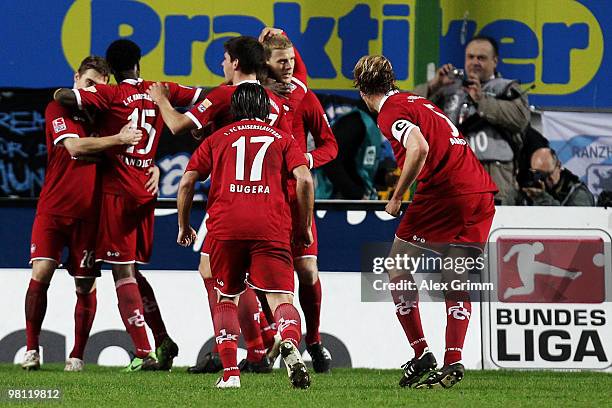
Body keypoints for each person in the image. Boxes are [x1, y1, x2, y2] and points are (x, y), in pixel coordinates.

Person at [54, 39, 203, 371]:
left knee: (121, 271)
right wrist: (198, 126)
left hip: (117, 192)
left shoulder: (111, 94)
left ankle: (142, 351)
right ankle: (162, 339)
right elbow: (200, 96)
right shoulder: (158, 88)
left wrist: (85, 93)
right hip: (145, 191)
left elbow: (63, 97)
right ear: (139, 63)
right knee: (133, 268)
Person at [146, 35, 290, 374]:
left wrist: (161, 100)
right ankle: (256, 344)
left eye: (225, 59)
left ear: (236, 63)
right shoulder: (274, 101)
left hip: (231, 197)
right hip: (269, 199)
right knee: (246, 278)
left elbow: (178, 125)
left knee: (221, 276)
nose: (222, 66)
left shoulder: (226, 94)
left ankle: (246, 350)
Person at [354, 55, 497, 388]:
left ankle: (421, 354)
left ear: (361, 90)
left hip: (445, 192)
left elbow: (417, 146)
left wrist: (396, 195)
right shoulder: (417, 101)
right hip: (480, 191)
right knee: (455, 273)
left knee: (397, 266)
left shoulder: (389, 112)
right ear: (392, 81)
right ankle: (453, 360)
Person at [176, 83, 314, 389]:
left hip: (227, 228)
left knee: (227, 296)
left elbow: (186, 182)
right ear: (266, 109)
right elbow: (304, 179)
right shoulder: (283, 139)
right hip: (271, 227)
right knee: (281, 299)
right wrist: (303, 225)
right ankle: (288, 341)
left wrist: (183, 225)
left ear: (235, 110)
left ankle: (231, 375)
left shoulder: (217, 138)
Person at [23, 56, 152, 371]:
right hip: (53, 209)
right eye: (89, 83)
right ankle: (31, 349)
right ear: (76, 77)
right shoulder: (59, 109)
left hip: (92, 213)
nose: (93, 90)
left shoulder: (103, 115)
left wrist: (153, 167)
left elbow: (133, 153)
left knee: (84, 285)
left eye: (100, 86)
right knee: (41, 273)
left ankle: (77, 355)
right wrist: (118, 139)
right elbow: (74, 148)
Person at [256, 27, 337, 372]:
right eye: (281, 61)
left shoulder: (303, 96)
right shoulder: (251, 98)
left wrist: (307, 160)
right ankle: (271, 337)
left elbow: (330, 145)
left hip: (297, 197)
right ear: (266, 65)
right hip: (260, 198)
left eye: (291, 60)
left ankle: (315, 340)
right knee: (260, 277)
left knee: (307, 270)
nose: (289, 67)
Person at [414, 36, 529, 205]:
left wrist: (482, 101)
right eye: (470, 57)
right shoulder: (448, 89)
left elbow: (520, 118)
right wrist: (433, 86)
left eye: (481, 58)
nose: (475, 62)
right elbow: (409, 111)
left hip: (494, 181)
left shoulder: (507, 88)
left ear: (494, 61)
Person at [520, 147, 594, 206]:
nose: (544, 180)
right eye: (538, 174)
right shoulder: (531, 189)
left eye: (548, 174)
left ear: (558, 166)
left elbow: (573, 222)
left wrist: (542, 198)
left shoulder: (578, 194)